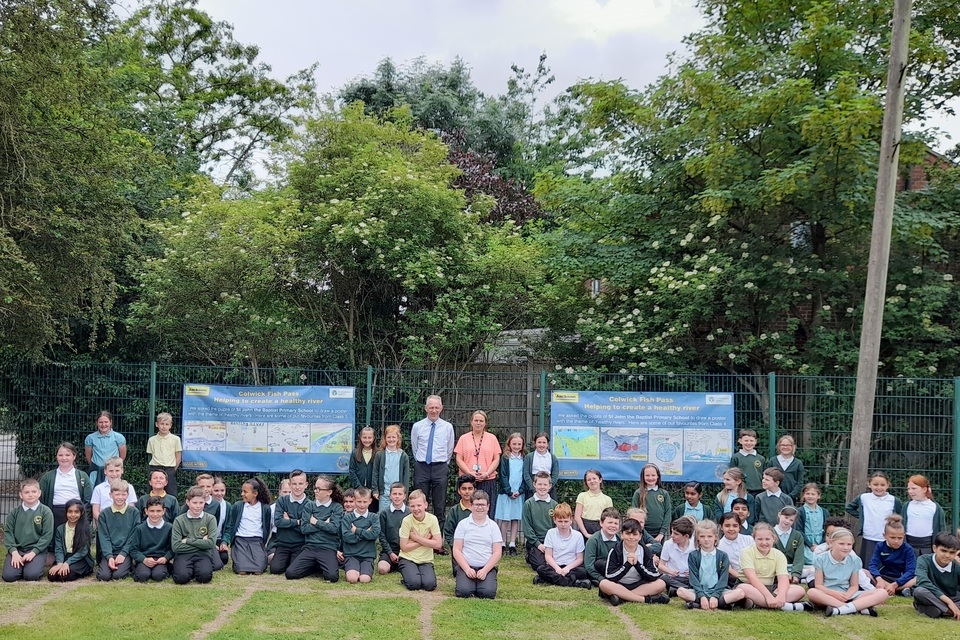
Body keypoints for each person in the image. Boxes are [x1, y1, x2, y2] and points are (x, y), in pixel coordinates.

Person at [807, 527, 888, 616]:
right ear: (831, 543)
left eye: (849, 544)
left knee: (882, 592)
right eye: (841, 544)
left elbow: (854, 586)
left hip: (849, 595)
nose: (846, 548)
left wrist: (847, 596)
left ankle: (842, 609)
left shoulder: (855, 560)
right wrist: (835, 594)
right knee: (812, 593)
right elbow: (819, 585)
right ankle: (852, 608)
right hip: (828, 594)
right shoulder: (820, 559)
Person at [735, 522, 808, 611]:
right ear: (754, 539)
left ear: (773, 539)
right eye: (760, 539)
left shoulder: (778, 555)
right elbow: (752, 578)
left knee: (799, 590)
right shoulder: (746, 552)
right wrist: (768, 596)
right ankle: (784, 606)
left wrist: (781, 595)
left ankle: (759, 603)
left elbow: (783, 578)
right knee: (743, 589)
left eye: (767, 539)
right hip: (751, 585)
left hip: (771, 587)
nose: (764, 542)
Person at [598, 517, 670, 606]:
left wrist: (637, 565)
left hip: (639, 585)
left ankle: (622, 597)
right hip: (619, 584)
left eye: (635, 534)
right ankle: (644, 599)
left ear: (640, 536)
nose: (631, 537)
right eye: (628, 534)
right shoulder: (615, 551)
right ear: (622, 535)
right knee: (604, 584)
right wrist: (627, 565)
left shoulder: (646, 551)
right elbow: (609, 576)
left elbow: (654, 575)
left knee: (661, 584)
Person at [284, 476, 343, 582]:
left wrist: (316, 522)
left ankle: (321, 565)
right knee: (290, 573)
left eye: (319, 489)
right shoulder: (309, 506)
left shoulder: (337, 507)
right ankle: (315, 566)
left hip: (328, 547)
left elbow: (334, 529)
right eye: (315, 488)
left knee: (332, 577)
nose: (316, 491)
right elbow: (304, 529)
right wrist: (324, 524)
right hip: (310, 547)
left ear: (329, 492)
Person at [678, 519, 746, 609]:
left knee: (740, 593)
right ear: (697, 537)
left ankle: (702, 604)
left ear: (715, 537)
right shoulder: (693, 555)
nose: (706, 539)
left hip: (719, 591)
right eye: (702, 536)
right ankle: (717, 603)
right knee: (680, 591)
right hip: (699, 591)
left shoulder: (723, 556)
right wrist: (701, 595)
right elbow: (693, 579)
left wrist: (715, 595)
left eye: (710, 536)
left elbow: (723, 579)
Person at [39, 442, 92, 550]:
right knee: (50, 559)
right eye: (60, 455)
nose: (64, 458)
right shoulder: (47, 477)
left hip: (76, 513)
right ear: (56, 457)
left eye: (67, 455)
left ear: (74, 456)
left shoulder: (82, 476)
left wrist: (84, 519)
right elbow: (41, 500)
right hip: (55, 514)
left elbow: (88, 500)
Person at [452, 490, 502, 598]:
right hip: (467, 566)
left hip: (486, 567)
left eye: (483, 505)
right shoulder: (463, 525)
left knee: (487, 593)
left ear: (488, 506)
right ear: (471, 506)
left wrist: (485, 570)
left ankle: (486, 580)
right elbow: (456, 550)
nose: (480, 507)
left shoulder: (493, 526)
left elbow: (497, 552)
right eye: (477, 504)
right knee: (464, 592)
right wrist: (467, 569)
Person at [411, 395, 455, 516]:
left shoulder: (448, 427)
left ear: (441, 408)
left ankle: (438, 533)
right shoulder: (417, 426)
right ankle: (420, 531)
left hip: (440, 467)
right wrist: (421, 460)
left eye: (436, 407)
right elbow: (415, 447)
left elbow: (449, 449)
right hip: (422, 467)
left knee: (440, 504)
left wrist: (443, 463)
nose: (434, 410)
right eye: (431, 407)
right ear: (426, 408)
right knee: (419, 502)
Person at [2, 479, 54, 582]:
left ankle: (34, 564)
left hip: (36, 551)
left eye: (34, 492)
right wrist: (14, 552)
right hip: (18, 549)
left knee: (31, 576)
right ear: (21, 495)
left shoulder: (46, 512)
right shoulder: (14, 513)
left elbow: (47, 536)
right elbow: (8, 534)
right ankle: (18, 565)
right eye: (26, 492)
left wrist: (34, 552)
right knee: (9, 576)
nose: (30, 495)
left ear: (39, 493)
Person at [454, 410, 502, 520]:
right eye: (476, 420)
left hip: (487, 479)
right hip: (468, 481)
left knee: (487, 510)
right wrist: (469, 473)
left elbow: (496, 459)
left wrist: (487, 473)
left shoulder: (492, 438)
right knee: (467, 509)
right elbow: (459, 459)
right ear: (471, 422)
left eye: (481, 421)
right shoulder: (463, 438)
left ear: (485, 423)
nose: (478, 423)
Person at [846, 471, 902, 562]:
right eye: (875, 484)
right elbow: (849, 508)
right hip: (869, 537)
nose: (879, 487)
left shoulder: (893, 500)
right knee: (869, 564)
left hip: (887, 537)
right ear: (869, 484)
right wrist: (863, 517)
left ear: (888, 485)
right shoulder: (863, 498)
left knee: (886, 564)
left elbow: (900, 515)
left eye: (882, 485)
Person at [534, 502, 591, 588]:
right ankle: (574, 583)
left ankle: (547, 579)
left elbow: (579, 559)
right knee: (541, 569)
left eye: (566, 521)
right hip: (555, 566)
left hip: (571, 567)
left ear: (571, 520)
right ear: (554, 520)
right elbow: (548, 556)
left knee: (584, 572)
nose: (563, 524)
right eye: (560, 521)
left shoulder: (578, 535)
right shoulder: (550, 533)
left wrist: (567, 569)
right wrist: (557, 569)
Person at [222, 477, 272, 575]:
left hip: (257, 541)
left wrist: (262, 543)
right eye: (242, 491)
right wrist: (227, 541)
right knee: (241, 570)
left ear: (255, 494)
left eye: (245, 492)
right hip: (240, 540)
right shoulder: (237, 506)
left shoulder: (265, 508)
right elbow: (231, 525)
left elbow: (266, 527)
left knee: (258, 571)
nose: (242, 494)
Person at [171, 485, 217, 584]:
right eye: (194, 502)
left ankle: (195, 570)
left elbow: (211, 544)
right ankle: (187, 570)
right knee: (181, 578)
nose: (198, 506)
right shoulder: (179, 520)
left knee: (205, 577)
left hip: (203, 554)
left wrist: (188, 540)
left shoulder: (210, 519)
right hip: (183, 554)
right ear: (188, 502)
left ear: (205, 502)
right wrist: (202, 543)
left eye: (201, 503)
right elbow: (176, 547)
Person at [398, 489, 442, 591]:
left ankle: (416, 574)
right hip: (408, 558)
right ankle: (408, 575)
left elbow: (438, 544)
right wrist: (426, 540)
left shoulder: (432, 519)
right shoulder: (406, 521)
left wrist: (416, 538)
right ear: (409, 506)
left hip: (425, 560)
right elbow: (404, 547)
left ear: (425, 505)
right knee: (414, 584)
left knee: (429, 585)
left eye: (419, 505)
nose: (416, 509)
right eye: (412, 506)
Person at [97, 479, 140, 581]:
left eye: (123, 494)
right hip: (110, 552)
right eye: (117, 494)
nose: (120, 497)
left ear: (128, 495)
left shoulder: (134, 512)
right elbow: (104, 537)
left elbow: (134, 535)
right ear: (111, 495)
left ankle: (129, 566)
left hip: (126, 551)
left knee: (118, 575)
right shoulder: (104, 514)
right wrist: (109, 556)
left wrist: (123, 553)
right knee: (104, 576)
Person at [912, 532, 960, 619]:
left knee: (936, 609)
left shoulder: (956, 565)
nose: (947, 555)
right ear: (934, 548)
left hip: (952, 597)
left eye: (952, 552)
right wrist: (949, 602)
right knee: (919, 591)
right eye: (943, 551)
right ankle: (950, 611)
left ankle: (935, 610)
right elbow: (923, 582)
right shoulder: (924, 560)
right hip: (931, 596)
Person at [270, 469, 308, 575]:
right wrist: (297, 522)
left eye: (300, 483)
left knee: (293, 569)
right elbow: (278, 522)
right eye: (294, 484)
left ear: (306, 485)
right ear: (290, 485)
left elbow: (305, 529)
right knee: (275, 569)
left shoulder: (309, 504)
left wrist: (288, 520)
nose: (297, 487)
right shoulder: (282, 501)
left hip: (300, 544)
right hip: (282, 543)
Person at [869, 514, 916, 597]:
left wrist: (895, 584)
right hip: (884, 577)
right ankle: (900, 590)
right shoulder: (880, 546)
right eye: (893, 537)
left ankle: (891, 589)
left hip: (902, 579)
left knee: (918, 578)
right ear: (884, 536)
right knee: (864, 572)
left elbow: (911, 571)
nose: (896, 541)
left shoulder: (908, 549)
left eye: (900, 538)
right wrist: (878, 578)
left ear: (904, 536)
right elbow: (873, 565)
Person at [340, 486, 380, 583]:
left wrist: (357, 530)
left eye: (365, 502)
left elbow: (374, 535)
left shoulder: (374, 517)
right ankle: (351, 568)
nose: (362, 505)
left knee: (364, 579)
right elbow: (347, 537)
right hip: (351, 554)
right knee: (352, 579)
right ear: (355, 500)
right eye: (359, 502)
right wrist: (366, 533)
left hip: (367, 555)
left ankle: (366, 570)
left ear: (370, 501)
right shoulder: (347, 518)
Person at [47, 498, 93, 582]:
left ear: (81, 513)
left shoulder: (86, 528)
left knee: (64, 576)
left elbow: (83, 551)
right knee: (52, 576)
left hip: (80, 559)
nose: (73, 515)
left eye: (76, 512)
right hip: (65, 557)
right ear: (66, 512)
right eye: (70, 511)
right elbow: (59, 548)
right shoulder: (60, 529)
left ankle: (84, 570)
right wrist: (60, 563)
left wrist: (67, 563)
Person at [496, 432, 526, 556]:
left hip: (519, 493)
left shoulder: (525, 458)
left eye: (519, 444)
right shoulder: (505, 458)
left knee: (515, 518)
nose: (517, 446)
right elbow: (502, 475)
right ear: (509, 444)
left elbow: (525, 476)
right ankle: (503, 543)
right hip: (506, 493)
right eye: (514, 444)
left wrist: (520, 491)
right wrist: (509, 491)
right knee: (505, 518)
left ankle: (512, 543)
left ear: (522, 445)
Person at [129, 496, 173, 582]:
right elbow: (134, 550)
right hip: (145, 559)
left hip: (161, 559)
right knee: (142, 576)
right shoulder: (140, 528)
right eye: (152, 511)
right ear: (146, 511)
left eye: (158, 511)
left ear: (164, 511)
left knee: (158, 576)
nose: (155, 514)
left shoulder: (169, 528)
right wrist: (143, 559)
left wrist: (166, 558)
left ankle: (167, 568)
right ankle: (136, 569)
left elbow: (172, 548)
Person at [903, 474, 946, 557]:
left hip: (928, 547)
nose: (910, 491)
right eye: (908, 488)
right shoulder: (906, 506)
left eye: (914, 488)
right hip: (908, 546)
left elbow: (941, 529)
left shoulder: (935, 507)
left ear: (924, 489)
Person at [522, 471, 558, 570]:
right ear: (534, 485)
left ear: (550, 486)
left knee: (559, 562)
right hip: (535, 542)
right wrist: (538, 544)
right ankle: (530, 556)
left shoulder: (554, 505)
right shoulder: (528, 504)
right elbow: (527, 528)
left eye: (545, 484)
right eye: (540, 484)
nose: (542, 487)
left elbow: (557, 526)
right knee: (540, 566)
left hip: (551, 541)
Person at [443, 474, 476, 574]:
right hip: (459, 551)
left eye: (470, 488)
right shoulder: (454, 511)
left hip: (476, 549)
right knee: (460, 573)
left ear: (475, 490)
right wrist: (457, 548)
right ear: (459, 491)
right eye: (464, 489)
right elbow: (448, 532)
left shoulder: (479, 509)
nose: (467, 492)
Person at [372, 425, 410, 513]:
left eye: (394, 437)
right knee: (383, 515)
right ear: (385, 438)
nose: (391, 439)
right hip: (384, 493)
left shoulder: (403, 456)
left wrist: (405, 494)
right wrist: (375, 490)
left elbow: (406, 476)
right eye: (389, 437)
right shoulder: (380, 455)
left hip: (398, 493)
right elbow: (375, 473)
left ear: (398, 439)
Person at [84, 410, 127, 485]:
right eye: (100, 422)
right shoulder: (90, 438)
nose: (103, 424)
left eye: (106, 422)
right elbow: (88, 457)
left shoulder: (119, 437)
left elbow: (122, 456)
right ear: (97, 423)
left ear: (110, 422)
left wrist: (114, 466)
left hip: (112, 473)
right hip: (95, 472)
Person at [631, 463, 672, 542]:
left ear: (658, 476)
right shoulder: (638, 493)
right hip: (642, 532)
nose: (650, 478)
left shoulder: (664, 493)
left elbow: (668, 514)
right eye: (647, 475)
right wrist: (641, 532)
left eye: (653, 475)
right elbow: (634, 514)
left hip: (659, 534)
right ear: (643, 477)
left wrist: (661, 533)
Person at [146, 411, 182, 499]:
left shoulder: (175, 439)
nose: (164, 426)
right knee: (152, 493)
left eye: (166, 424)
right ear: (156, 424)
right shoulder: (152, 440)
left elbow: (178, 457)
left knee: (171, 492)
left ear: (170, 425)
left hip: (169, 469)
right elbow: (151, 454)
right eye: (162, 424)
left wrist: (173, 470)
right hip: (155, 468)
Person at [90, 456, 138, 521]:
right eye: (111, 471)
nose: (114, 474)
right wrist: (104, 523)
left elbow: (131, 508)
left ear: (122, 470)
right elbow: (95, 512)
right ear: (105, 471)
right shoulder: (98, 489)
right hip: (104, 523)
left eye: (117, 470)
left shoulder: (129, 487)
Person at [657, 516, 696, 592]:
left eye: (676, 534)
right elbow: (661, 565)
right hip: (674, 577)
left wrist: (692, 571)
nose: (672, 536)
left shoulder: (695, 545)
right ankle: (686, 589)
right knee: (663, 578)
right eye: (672, 532)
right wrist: (670, 571)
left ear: (686, 536)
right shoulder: (668, 544)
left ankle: (677, 589)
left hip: (689, 578)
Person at [585, 507, 621, 587]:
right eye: (610, 522)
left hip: (616, 571)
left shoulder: (621, 540)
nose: (613, 526)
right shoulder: (593, 540)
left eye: (616, 523)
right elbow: (589, 565)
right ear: (601, 523)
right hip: (600, 570)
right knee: (600, 564)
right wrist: (601, 579)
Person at [717, 511, 754, 588]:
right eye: (727, 526)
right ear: (721, 527)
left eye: (735, 526)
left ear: (739, 527)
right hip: (735, 579)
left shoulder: (749, 540)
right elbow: (728, 568)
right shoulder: (719, 546)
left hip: (755, 574)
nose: (731, 529)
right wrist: (745, 579)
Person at [795, 482, 828, 568]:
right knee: (811, 561)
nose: (810, 496)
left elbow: (827, 529)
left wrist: (821, 545)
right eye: (807, 494)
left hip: (821, 543)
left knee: (824, 559)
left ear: (818, 496)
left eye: (813, 494)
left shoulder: (824, 512)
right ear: (803, 496)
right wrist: (810, 545)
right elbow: (799, 530)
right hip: (806, 544)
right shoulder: (800, 511)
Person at [378, 483, 407, 575]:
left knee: (408, 569)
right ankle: (392, 564)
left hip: (406, 550)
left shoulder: (410, 512)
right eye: (394, 494)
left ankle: (401, 564)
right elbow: (381, 535)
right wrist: (390, 553)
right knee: (382, 569)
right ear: (390, 495)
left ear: (404, 496)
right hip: (389, 550)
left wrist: (403, 551)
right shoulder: (384, 513)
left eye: (400, 494)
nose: (397, 497)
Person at [765, 434, 804, 500]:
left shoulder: (798, 463)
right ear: (779, 446)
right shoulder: (773, 461)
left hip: (791, 498)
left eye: (788, 445)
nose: (785, 447)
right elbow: (767, 479)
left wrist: (791, 496)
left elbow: (800, 483)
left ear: (793, 447)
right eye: (783, 445)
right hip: (773, 497)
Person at [575, 469, 612, 537]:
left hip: (600, 529)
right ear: (586, 482)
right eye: (589, 480)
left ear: (600, 480)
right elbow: (577, 516)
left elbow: (609, 518)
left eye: (594, 478)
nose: (592, 481)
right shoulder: (582, 496)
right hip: (584, 528)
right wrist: (585, 534)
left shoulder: (608, 499)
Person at [772, 506, 804, 582]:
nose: (787, 521)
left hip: (792, 567)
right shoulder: (770, 533)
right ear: (779, 515)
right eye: (786, 517)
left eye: (791, 520)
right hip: (774, 569)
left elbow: (799, 557)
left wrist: (795, 574)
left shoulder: (797, 535)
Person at [523, 432, 559, 500]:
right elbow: (526, 474)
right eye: (539, 442)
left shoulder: (552, 458)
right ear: (535, 443)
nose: (541, 445)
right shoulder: (529, 457)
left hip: (549, 490)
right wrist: (533, 488)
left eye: (544, 442)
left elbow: (555, 474)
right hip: (532, 489)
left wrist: (548, 488)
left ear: (548, 444)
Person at [728, 429, 765, 494]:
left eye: (751, 441)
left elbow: (764, 475)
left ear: (755, 441)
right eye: (746, 440)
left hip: (759, 490)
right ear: (740, 441)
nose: (749, 443)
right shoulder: (736, 457)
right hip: (741, 490)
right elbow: (732, 475)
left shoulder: (761, 458)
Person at [349, 427, 377, 508]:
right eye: (364, 437)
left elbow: (379, 472)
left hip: (373, 492)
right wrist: (359, 487)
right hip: (358, 491)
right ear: (360, 438)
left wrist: (373, 489)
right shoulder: (355, 453)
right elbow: (352, 471)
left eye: (369, 437)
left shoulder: (378, 453)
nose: (367, 440)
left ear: (374, 438)